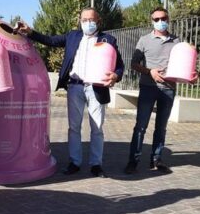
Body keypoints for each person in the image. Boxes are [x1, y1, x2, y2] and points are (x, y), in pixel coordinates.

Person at [16, 9, 124, 177]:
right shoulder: (72, 36)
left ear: (99, 21)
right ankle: (75, 162)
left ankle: (96, 164)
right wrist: (30, 32)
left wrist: (116, 75)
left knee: (97, 128)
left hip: (97, 87)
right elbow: (50, 40)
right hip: (75, 87)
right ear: (80, 20)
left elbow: (119, 65)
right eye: (84, 19)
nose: (88, 23)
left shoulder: (108, 40)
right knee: (74, 127)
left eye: (91, 20)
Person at [125, 7, 192, 174]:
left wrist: (191, 74)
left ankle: (156, 160)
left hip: (168, 89)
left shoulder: (177, 41)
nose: (160, 21)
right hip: (148, 87)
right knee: (141, 126)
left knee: (161, 127)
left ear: (168, 19)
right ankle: (133, 161)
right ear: (152, 21)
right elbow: (134, 64)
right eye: (156, 19)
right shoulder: (144, 40)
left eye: (163, 18)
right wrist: (150, 72)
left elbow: (184, 63)